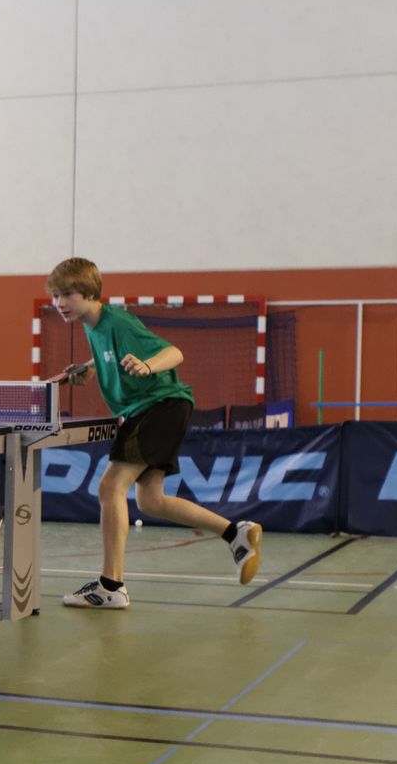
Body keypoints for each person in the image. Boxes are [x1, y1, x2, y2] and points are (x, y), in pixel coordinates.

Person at [45, 257, 261, 609]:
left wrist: (147, 365)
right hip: (159, 409)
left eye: (67, 294)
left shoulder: (117, 321)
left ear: (89, 293)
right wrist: (88, 368)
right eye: (56, 296)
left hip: (157, 407)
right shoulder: (92, 325)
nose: (60, 303)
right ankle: (235, 533)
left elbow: (174, 352)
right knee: (150, 501)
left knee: (110, 487)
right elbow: (110, 354)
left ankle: (110, 585)